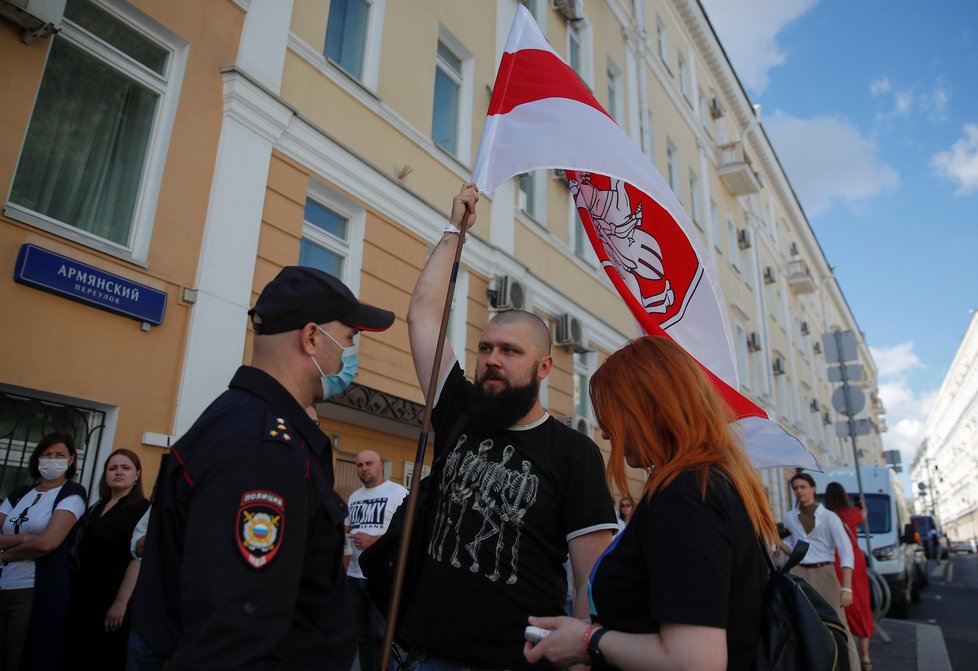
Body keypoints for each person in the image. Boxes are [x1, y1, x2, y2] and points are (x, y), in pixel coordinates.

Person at [130, 266, 395, 669]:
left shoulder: (238, 419)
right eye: (349, 338)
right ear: (311, 338)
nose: (351, 352)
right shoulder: (265, 449)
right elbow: (236, 634)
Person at [401, 183, 619, 669]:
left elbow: (591, 578)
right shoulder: (459, 407)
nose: (491, 360)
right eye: (485, 348)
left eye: (509, 351)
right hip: (426, 656)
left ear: (544, 368)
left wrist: (581, 654)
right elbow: (422, 316)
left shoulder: (574, 452)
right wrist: (455, 230)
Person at [523, 336, 779, 671]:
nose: (605, 432)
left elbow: (696, 661)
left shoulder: (687, 493)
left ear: (646, 408)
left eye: (611, 413)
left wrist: (587, 642)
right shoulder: (715, 481)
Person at [0, 432, 88, 671]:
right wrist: (25, 538)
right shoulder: (19, 494)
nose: (52, 460)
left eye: (59, 455)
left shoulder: (72, 493)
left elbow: (48, 543)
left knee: (22, 658)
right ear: (37, 459)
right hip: (3, 585)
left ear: (71, 460)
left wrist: (4, 552)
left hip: (34, 591)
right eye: (47, 454)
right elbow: (35, 541)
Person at [63, 449, 151, 669]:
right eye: (113, 468)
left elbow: (138, 558)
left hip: (115, 598)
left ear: (137, 474)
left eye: (125, 468)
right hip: (82, 594)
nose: (118, 472)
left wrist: (120, 603)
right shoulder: (95, 508)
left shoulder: (144, 509)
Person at [782, 472, 861, 671]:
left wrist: (847, 588)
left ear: (813, 489)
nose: (799, 491)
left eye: (803, 487)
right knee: (803, 624)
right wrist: (777, 543)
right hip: (799, 573)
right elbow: (793, 548)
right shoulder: (790, 518)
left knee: (839, 625)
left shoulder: (829, 517)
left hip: (824, 572)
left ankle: (853, 667)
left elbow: (846, 551)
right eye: (795, 488)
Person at [345, 450, 407, 671]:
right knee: (361, 636)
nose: (364, 468)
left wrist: (374, 540)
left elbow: (408, 533)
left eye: (368, 463)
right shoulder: (354, 497)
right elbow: (348, 528)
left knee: (383, 636)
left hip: (382, 576)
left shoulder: (398, 493)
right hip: (353, 575)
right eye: (359, 464)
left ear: (381, 466)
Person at [824, 481, 874, 671]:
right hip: (855, 560)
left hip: (836, 560)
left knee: (841, 605)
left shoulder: (828, 516)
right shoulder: (852, 514)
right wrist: (861, 504)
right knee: (861, 603)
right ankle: (866, 656)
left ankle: (846, 648)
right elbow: (863, 514)